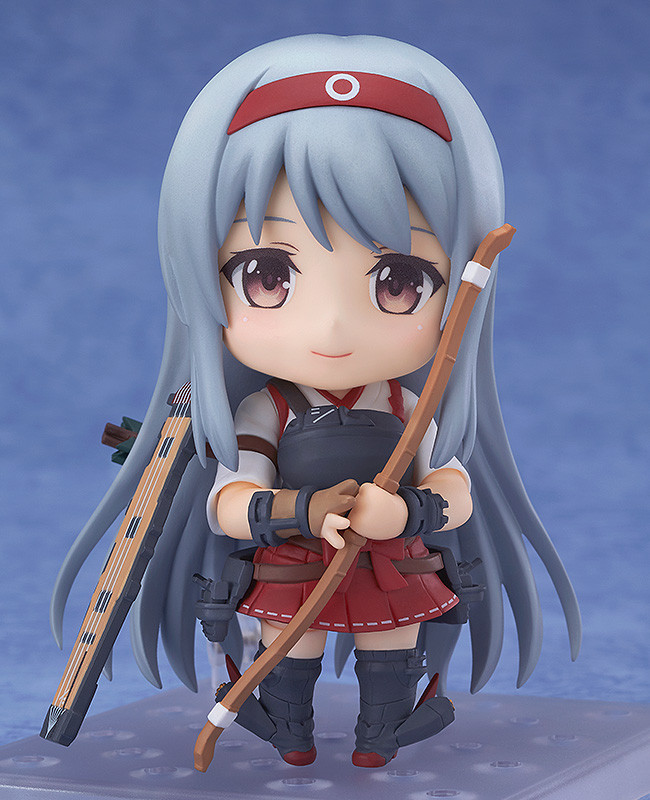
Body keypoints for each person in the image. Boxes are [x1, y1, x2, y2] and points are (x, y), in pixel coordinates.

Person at [51, 34, 581, 769]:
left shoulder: (407, 405)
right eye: (267, 275)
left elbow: (452, 485)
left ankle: (384, 730)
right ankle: (286, 728)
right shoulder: (266, 411)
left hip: (391, 560)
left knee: (390, 653)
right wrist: (301, 511)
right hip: (296, 561)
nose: (331, 328)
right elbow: (230, 501)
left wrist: (409, 512)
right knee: (287, 653)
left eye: (399, 282)